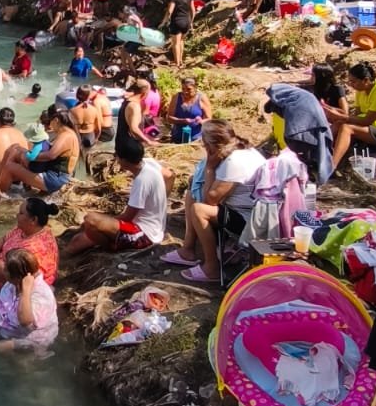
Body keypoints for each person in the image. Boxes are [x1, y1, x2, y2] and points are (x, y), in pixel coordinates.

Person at [162, 119, 264, 283]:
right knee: (192, 190)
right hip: (255, 211)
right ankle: (188, 249)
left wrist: (209, 168)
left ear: (211, 146)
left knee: (199, 210)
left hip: (249, 221)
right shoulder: (247, 151)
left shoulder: (233, 162)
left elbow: (210, 200)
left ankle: (212, 268)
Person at [65, 141, 170, 257]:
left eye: (117, 156)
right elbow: (170, 175)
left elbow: (127, 217)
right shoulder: (149, 163)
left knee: (90, 220)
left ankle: (110, 248)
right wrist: (160, 201)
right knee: (79, 239)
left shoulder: (142, 180)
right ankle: (66, 254)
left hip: (145, 234)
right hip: (155, 228)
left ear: (124, 160)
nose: (117, 160)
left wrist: (103, 222)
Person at [323, 61, 376, 167]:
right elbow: (357, 115)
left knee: (347, 128)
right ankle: (318, 150)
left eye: (353, 82)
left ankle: (331, 166)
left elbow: (367, 121)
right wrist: (337, 113)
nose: (350, 84)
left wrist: (341, 116)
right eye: (350, 81)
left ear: (366, 80)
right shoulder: (361, 90)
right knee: (340, 123)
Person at [0, 196, 61, 290]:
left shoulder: (33, 249)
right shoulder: (25, 229)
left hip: (14, 287)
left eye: (21, 213)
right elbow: (5, 238)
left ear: (33, 220)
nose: (16, 215)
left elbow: (13, 277)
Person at [0, 107, 81, 195]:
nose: (50, 125)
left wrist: (28, 155)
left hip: (53, 179)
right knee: (16, 148)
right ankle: (24, 187)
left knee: (10, 167)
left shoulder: (66, 136)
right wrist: (26, 154)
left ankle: (0, 196)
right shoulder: (69, 134)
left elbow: (50, 155)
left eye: (50, 121)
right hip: (55, 175)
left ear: (56, 120)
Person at [0, 248, 59, 354]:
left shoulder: (40, 295)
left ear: (18, 277)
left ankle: (29, 360)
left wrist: (25, 291)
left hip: (32, 339)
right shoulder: (12, 284)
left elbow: (25, 322)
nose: (3, 270)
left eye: (6, 269)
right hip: (7, 326)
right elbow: (4, 303)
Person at [165, 75, 212, 144]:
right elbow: (169, 118)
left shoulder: (202, 98)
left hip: (196, 140)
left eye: (189, 89)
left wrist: (200, 121)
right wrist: (182, 121)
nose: (185, 92)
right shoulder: (176, 97)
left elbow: (209, 119)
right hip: (177, 139)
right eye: (183, 89)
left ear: (195, 88)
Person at [160, 0, 194, 68]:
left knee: (175, 43)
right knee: (181, 41)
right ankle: (181, 61)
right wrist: (191, 22)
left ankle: (177, 63)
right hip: (186, 22)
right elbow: (193, 10)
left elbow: (169, 11)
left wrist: (164, 22)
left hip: (177, 22)